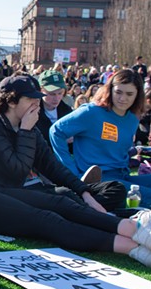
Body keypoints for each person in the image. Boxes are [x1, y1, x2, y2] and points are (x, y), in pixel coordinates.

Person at [0, 66, 151, 266]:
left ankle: (131, 228)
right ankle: (131, 247)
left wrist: (84, 191)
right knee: (45, 218)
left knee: (61, 201)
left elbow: (50, 165)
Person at [0, 73, 126, 213]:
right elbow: (18, 173)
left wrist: (83, 191)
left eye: (37, 98)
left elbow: (51, 164)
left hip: (40, 186)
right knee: (65, 196)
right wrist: (25, 131)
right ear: (11, 101)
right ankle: (84, 210)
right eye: (30, 99)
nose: (36, 103)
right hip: (15, 193)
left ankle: (83, 208)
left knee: (115, 188)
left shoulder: (28, 124)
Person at [51, 69, 151, 204]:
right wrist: (72, 172)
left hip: (123, 176)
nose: (123, 98)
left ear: (137, 95)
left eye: (129, 94)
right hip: (100, 180)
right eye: (118, 92)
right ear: (110, 90)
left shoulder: (132, 118)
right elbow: (56, 131)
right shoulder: (91, 112)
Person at [35, 69, 71, 146]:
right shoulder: (32, 112)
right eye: (52, 94)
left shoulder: (68, 112)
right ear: (41, 91)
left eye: (60, 93)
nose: (56, 98)